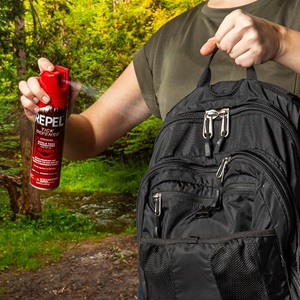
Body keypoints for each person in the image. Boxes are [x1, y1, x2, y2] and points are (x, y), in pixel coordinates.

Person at [19, 0, 300, 298]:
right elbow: (88, 136)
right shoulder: (169, 39)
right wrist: (52, 115)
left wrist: (281, 41)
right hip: (178, 276)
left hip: (283, 276)